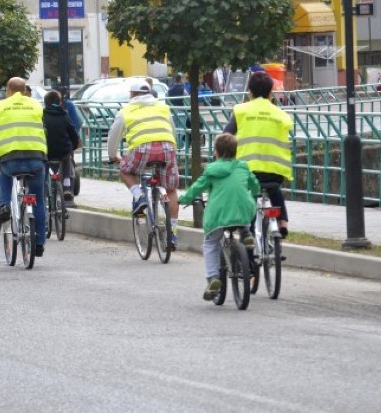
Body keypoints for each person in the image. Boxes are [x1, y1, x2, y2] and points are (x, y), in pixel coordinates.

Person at [179, 134, 259, 301]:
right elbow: (254, 185)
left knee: (210, 242)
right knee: (244, 212)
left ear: (216, 152)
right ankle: (246, 234)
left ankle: (213, 278)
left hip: (219, 216)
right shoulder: (243, 167)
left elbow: (196, 188)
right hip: (243, 211)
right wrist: (255, 193)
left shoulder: (211, 170)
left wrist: (183, 199)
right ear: (236, 152)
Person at [107, 77, 180, 248]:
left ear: (132, 94)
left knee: (126, 170)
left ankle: (139, 196)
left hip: (141, 150)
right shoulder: (163, 107)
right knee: (171, 190)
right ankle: (173, 234)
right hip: (167, 148)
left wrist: (113, 157)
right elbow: (173, 131)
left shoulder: (126, 110)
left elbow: (113, 136)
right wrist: (171, 150)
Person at [223, 71, 293, 239]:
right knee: (273, 188)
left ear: (250, 92)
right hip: (276, 170)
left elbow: (226, 136)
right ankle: (282, 222)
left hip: (247, 171)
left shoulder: (241, 111)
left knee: (248, 197)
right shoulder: (281, 115)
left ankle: (248, 233)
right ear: (270, 93)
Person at [0, 77, 48, 257]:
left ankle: (5, 205)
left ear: (9, 90)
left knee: (4, 174)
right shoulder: (36, 105)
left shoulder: (1, 106)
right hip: (36, 158)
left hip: (10, 159)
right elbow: (43, 130)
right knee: (39, 200)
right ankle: (40, 244)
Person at [42, 90, 80, 200]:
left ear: (45, 103)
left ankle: (44, 187)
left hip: (47, 151)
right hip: (63, 150)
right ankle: (67, 186)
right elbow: (72, 132)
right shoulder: (64, 115)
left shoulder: (42, 116)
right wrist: (73, 146)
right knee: (67, 161)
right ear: (60, 103)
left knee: (44, 164)